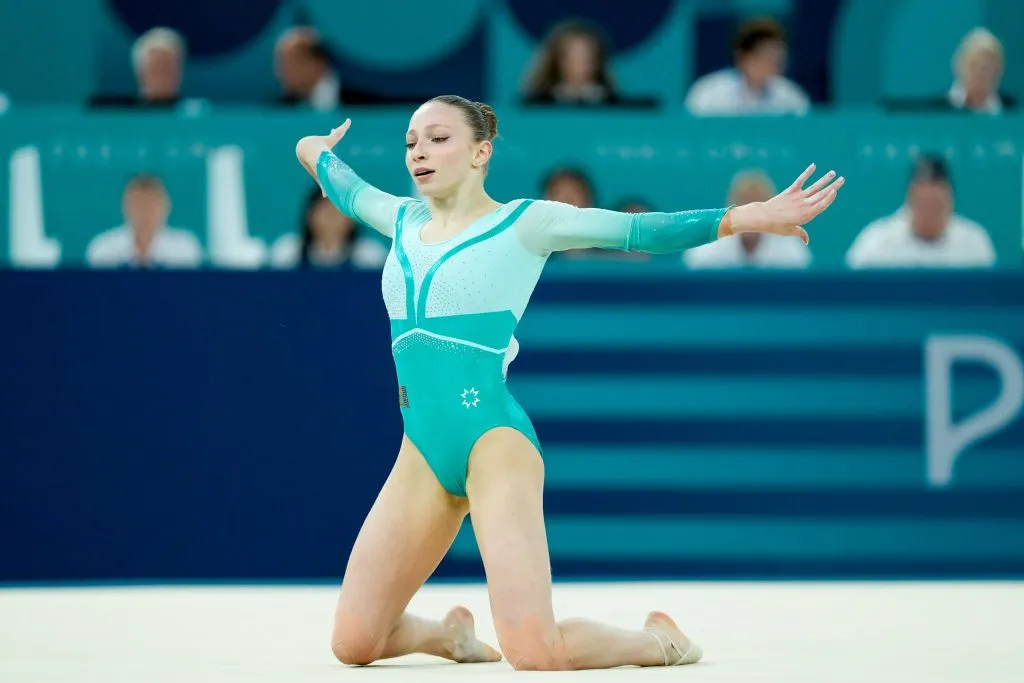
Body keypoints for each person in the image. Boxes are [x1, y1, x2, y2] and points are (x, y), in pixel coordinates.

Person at [294, 95, 843, 671]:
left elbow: (639, 232)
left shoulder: (526, 223)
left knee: (533, 652)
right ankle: (448, 636)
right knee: (354, 644)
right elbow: (340, 183)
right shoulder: (400, 218)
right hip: (421, 453)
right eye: (410, 142)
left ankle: (658, 641)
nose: (418, 153)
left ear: (481, 152)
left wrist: (742, 218)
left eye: (437, 139)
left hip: (493, 445)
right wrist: (316, 149)